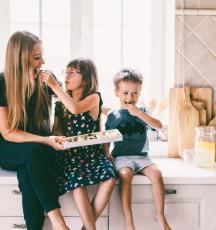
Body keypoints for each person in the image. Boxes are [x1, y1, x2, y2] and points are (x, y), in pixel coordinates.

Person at [0, 31, 69, 230]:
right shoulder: (2, 83)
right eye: (37, 57)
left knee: (28, 168)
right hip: (11, 147)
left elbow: (70, 106)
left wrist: (56, 87)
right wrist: (45, 140)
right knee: (33, 153)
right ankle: (59, 223)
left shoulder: (46, 79)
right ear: (21, 59)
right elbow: (7, 132)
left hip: (38, 149)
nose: (43, 61)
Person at [40, 58, 116, 230]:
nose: (67, 75)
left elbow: (75, 108)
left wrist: (106, 150)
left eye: (72, 72)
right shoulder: (61, 103)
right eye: (65, 72)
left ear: (87, 79)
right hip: (70, 155)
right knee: (77, 184)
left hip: (91, 153)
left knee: (110, 179)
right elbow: (57, 131)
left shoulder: (94, 98)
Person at [104, 68, 171, 230]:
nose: (130, 97)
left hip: (142, 156)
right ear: (117, 93)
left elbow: (159, 125)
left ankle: (160, 215)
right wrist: (106, 154)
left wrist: (139, 113)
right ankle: (128, 220)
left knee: (157, 174)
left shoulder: (143, 111)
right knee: (125, 174)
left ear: (140, 93)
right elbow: (106, 138)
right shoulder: (113, 115)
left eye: (135, 93)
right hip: (121, 157)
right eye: (125, 93)